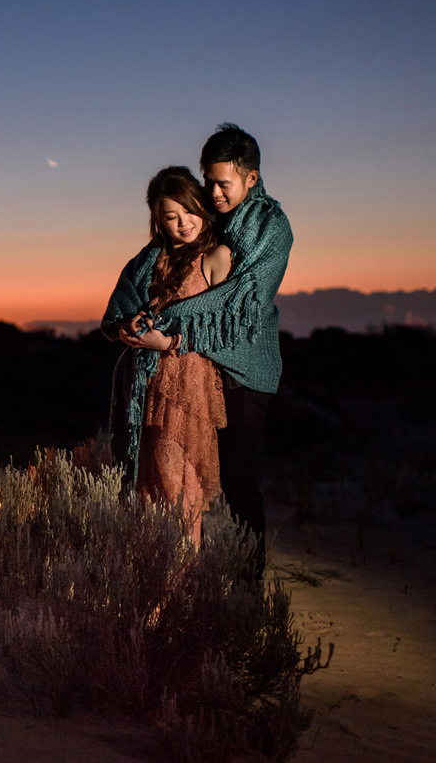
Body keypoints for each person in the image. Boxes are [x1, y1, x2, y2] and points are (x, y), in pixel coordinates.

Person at [104, 124, 292, 577]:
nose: (212, 193)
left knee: (238, 480)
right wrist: (130, 325)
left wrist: (166, 331)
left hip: (244, 369)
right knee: (178, 480)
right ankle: (190, 578)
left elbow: (240, 300)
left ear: (251, 177)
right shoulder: (202, 217)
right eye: (207, 181)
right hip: (194, 370)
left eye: (221, 183)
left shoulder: (270, 228)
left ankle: (244, 590)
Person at [108, 166, 232, 544]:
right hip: (145, 383)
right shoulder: (147, 261)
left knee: (181, 491)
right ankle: (153, 581)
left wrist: (168, 343)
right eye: (171, 217)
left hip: (187, 385)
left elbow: (222, 329)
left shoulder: (216, 256)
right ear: (158, 222)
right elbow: (118, 312)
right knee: (148, 488)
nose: (183, 224)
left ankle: (183, 584)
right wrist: (126, 329)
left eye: (189, 211)